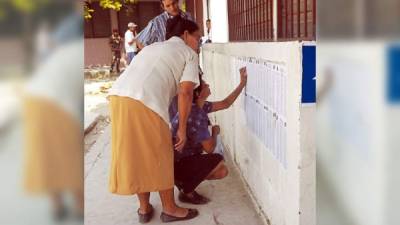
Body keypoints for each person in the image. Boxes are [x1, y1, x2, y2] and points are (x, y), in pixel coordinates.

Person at [107, 16, 202, 223]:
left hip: (118, 97)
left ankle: (143, 208)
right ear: (185, 35)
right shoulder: (188, 53)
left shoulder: (152, 47)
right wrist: (182, 129)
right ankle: (169, 209)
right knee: (160, 154)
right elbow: (185, 92)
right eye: (198, 38)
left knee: (135, 153)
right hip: (146, 101)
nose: (199, 43)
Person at [169, 67, 247, 204]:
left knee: (220, 169)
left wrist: (242, 84)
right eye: (204, 85)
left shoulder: (196, 106)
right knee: (218, 162)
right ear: (199, 93)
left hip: (176, 162)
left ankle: (184, 183)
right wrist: (215, 132)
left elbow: (225, 103)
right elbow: (210, 148)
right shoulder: (195, 113)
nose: (208, 85)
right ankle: (186, 189)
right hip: (179, 164)